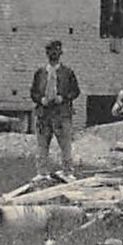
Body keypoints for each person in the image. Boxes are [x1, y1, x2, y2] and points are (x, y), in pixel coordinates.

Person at [30, 40, 80, 172]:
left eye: (56, 51)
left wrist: (63, 98)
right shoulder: (40, 73)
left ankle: (68, 172)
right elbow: (33, 93)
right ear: (47, 54)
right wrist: (41, 100)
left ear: (60, 53)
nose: (53, 54)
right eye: (50, 51)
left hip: (62, 114)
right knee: (42, 146)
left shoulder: (67, 72)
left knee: (65, 146)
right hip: (44, 115)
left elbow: (75, 91)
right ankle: (41, 174)